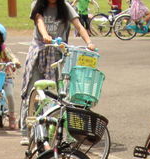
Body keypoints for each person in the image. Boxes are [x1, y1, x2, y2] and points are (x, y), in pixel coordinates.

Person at [18, 0, 95, 143]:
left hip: (57, 55)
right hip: (38, 52)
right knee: (31, 91)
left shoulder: (66, 7)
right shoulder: (38, 5)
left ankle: (51, 130)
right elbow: (39, 21)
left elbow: (78, 25)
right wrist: (45, 35)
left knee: (56, 94)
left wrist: (89, 42)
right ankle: (26, 132)